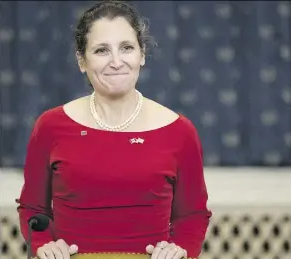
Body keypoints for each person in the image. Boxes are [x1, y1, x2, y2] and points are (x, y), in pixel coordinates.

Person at [16, 1, 212, 259]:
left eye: (127, 48)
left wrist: (180, 250)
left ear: (141, 54)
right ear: (81, 61)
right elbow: (32, 208)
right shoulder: (50, 126)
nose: (116, 62)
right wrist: (44, 245)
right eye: (101, 50)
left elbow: (193, 215)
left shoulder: (180, 131)